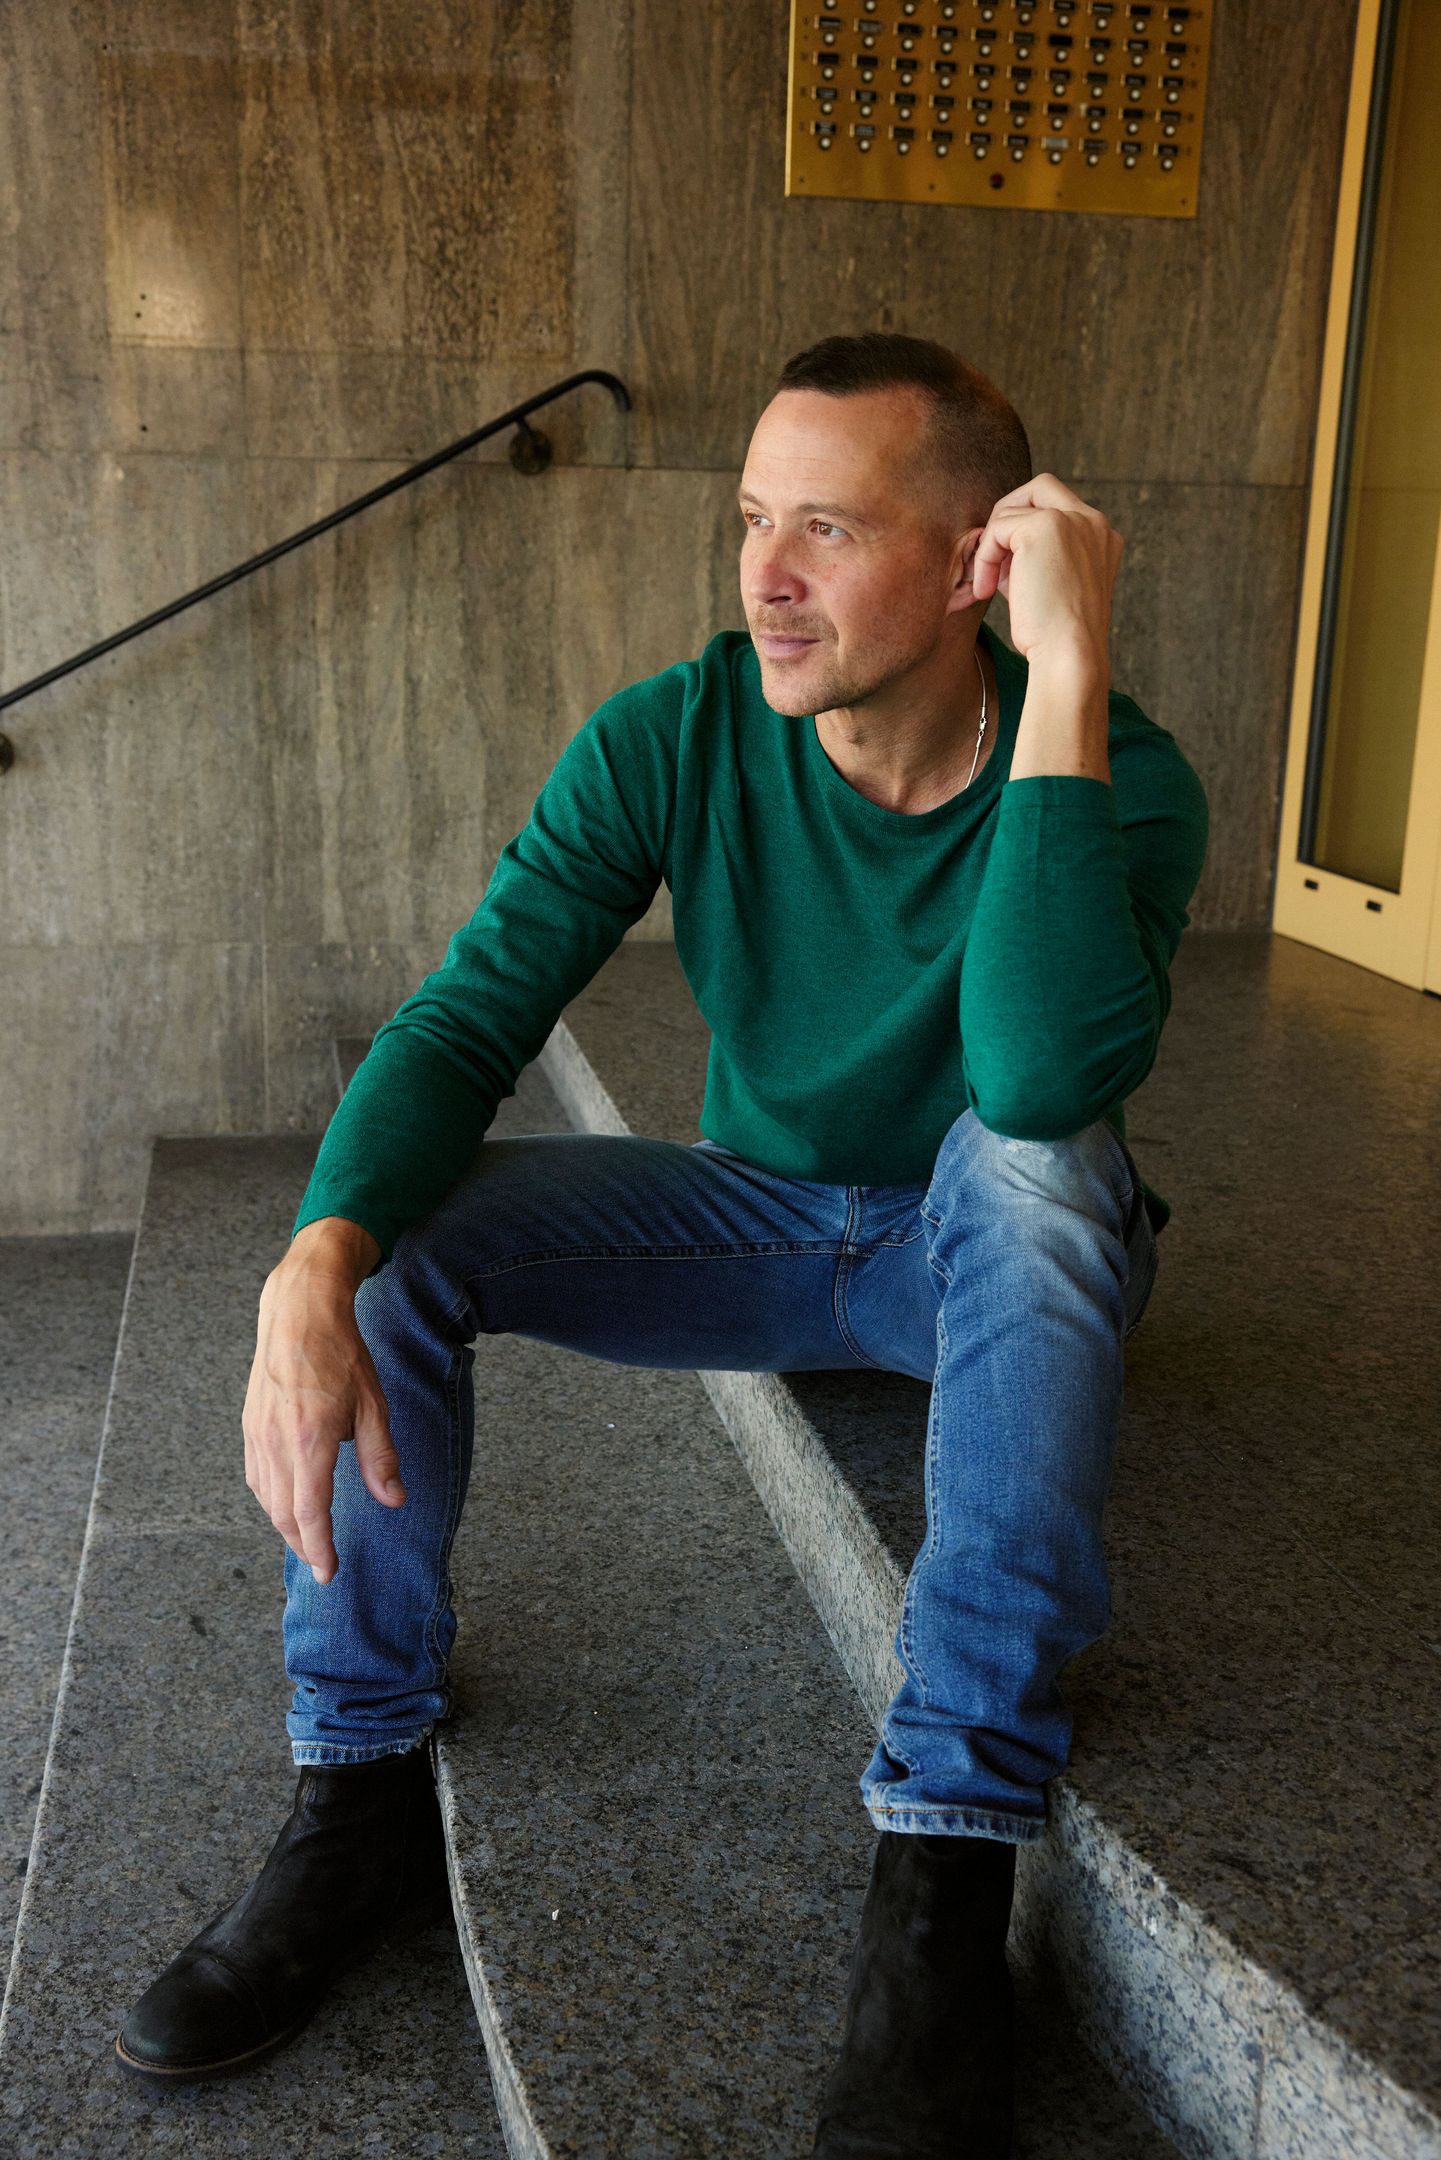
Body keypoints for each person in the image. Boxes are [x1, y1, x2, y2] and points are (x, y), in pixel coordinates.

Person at [115, 331, 1209, 2155]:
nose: (765, 577)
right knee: (393, 1246)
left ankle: (942, 1875)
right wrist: (314, 1253)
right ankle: (356, 1787)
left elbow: (1033, 1080)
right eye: (752, 520)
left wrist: (1068, 677)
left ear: (978, 564)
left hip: (988, 1250)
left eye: (826, 531)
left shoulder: (1118, 773)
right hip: (759, 1220)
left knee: (1036, 1160)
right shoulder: (676, 732)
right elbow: (470, 1015)